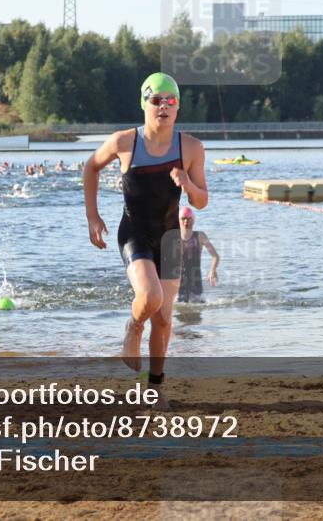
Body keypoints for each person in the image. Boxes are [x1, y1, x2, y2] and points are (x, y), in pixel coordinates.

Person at [83, 73, 208, 408]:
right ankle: (133, 327)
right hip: (134, 232)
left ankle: (154, 388)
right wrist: (92, 216)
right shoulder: (125, 142)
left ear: (178, 107)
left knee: (165, 319)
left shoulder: (191, 148)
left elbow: (201, 201)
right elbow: (90, 167)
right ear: (145, 104)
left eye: (170, 101)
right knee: (149, 296)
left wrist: (186, 182)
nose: (163, 107)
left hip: (168, 239)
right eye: (156, 101)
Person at [176, 206, 219, 303]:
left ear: (193, 220)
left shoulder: (200, 236)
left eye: (188, 219)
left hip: (196, 281)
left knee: (197, 311)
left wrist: (212, 271)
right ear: (179, 220)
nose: (186, 222)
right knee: (180, 310)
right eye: (183, 219)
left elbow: (215, 256)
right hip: (179, 283)